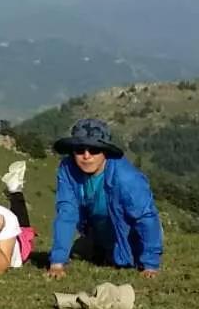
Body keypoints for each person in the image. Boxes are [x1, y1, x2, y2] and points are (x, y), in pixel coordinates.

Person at [48, 118, 163, 279]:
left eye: (94, 150)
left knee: (121, 258)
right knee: (83, 252)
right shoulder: (67, 170)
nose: (86, 156)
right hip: (97, 231)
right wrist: (57, 263)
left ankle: (130, 254)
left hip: (128, 235)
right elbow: (66, 212)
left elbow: (146, 218)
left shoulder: (127, 179)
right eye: (80, 150)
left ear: (105, 152)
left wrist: (151, 264)